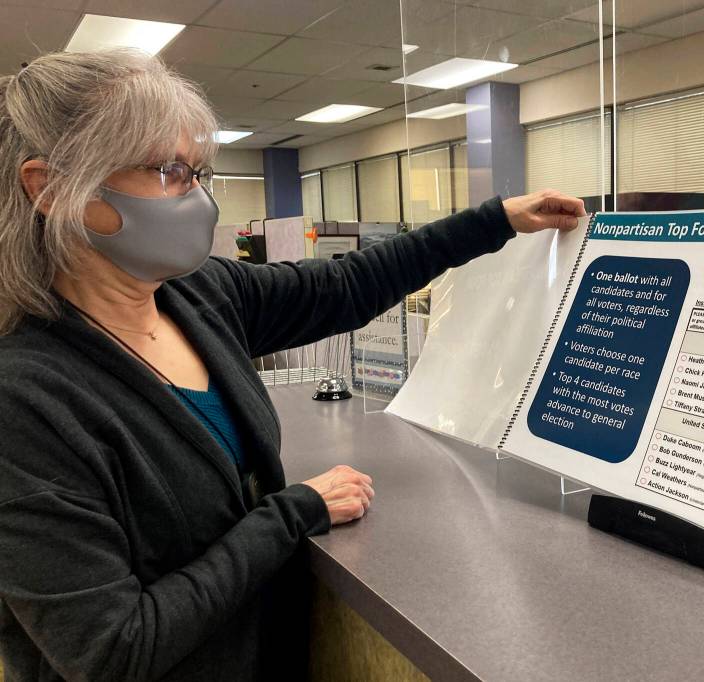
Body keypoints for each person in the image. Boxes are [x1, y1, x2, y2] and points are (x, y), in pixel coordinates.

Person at [0, 49, 585, 681]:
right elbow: (113, 650)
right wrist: (291, 513)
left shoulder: (198, 297)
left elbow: (346, 286)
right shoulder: (25, 401)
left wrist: (493, 222)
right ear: (52, 188)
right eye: (169, 171)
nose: (196, 199)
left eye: (199, 173)